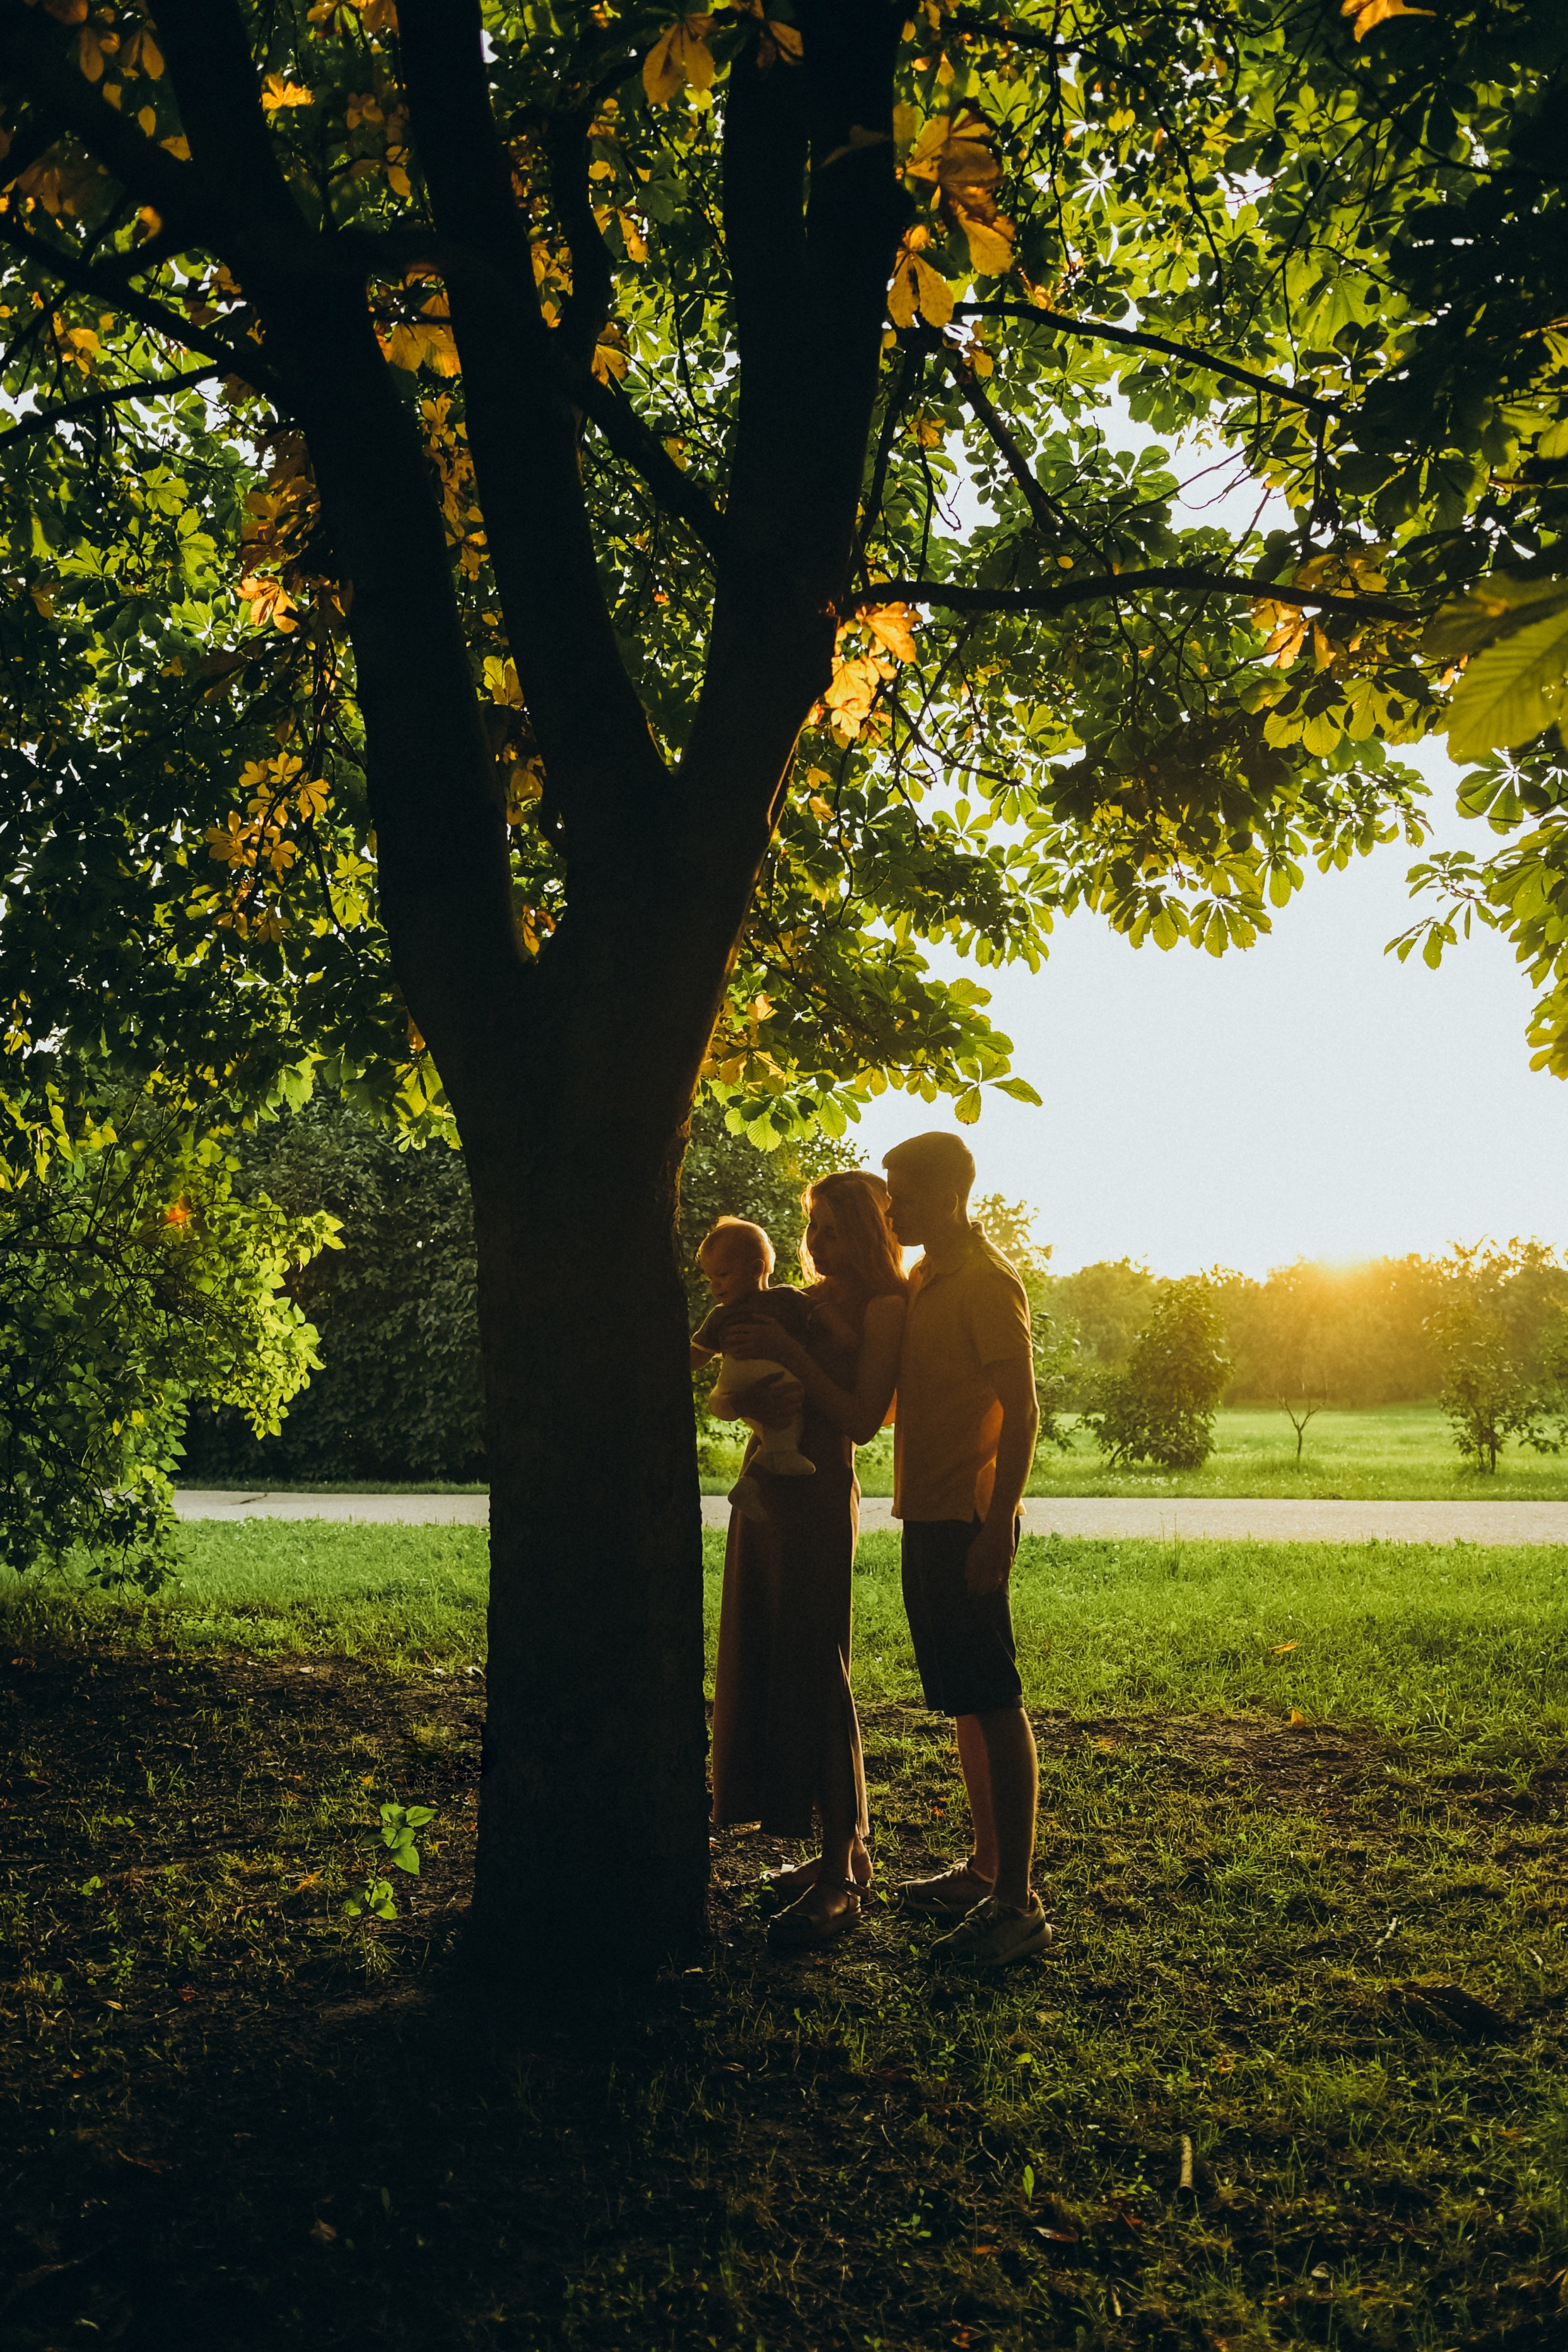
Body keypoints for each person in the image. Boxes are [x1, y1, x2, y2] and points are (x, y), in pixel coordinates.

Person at [704, 1172, 907, 1950]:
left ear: (865, 1229)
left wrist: (788, 1351)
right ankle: (842, 1850)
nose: (817, 1243)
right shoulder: (805, 1296)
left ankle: (837, 1878)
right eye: (812, 1226)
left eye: (831, 1227)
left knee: (817, 1666)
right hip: (766, 1486)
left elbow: (859, 1419)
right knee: (768, 1650)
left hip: (820, 1493)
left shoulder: (884, 1306)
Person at [882, 1130, 1049, 1970]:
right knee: (962, 1699)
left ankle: (1016, 1905)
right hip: (923, 1512)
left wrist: (998, 1526)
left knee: (994, 1695)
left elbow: (1022, 1414)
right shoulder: (921, 1277)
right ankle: (983, 1868)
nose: (890, 1207)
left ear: (948, 1196)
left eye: (901, 1192)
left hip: (968, 1518)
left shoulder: (987, 1284)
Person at [691, 1219, 817, 1521]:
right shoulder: (787, 1298)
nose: (715, 1285)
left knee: (775, 1428)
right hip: (758, 1377)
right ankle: (778, 1459)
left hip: (733, 1381)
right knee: (790, 1399)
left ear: (755, 1269)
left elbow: (696, 1356)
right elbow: (822, 1320)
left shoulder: (723, 1315)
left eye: (721, 1275)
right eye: (710, 1278)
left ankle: (751, 1481)